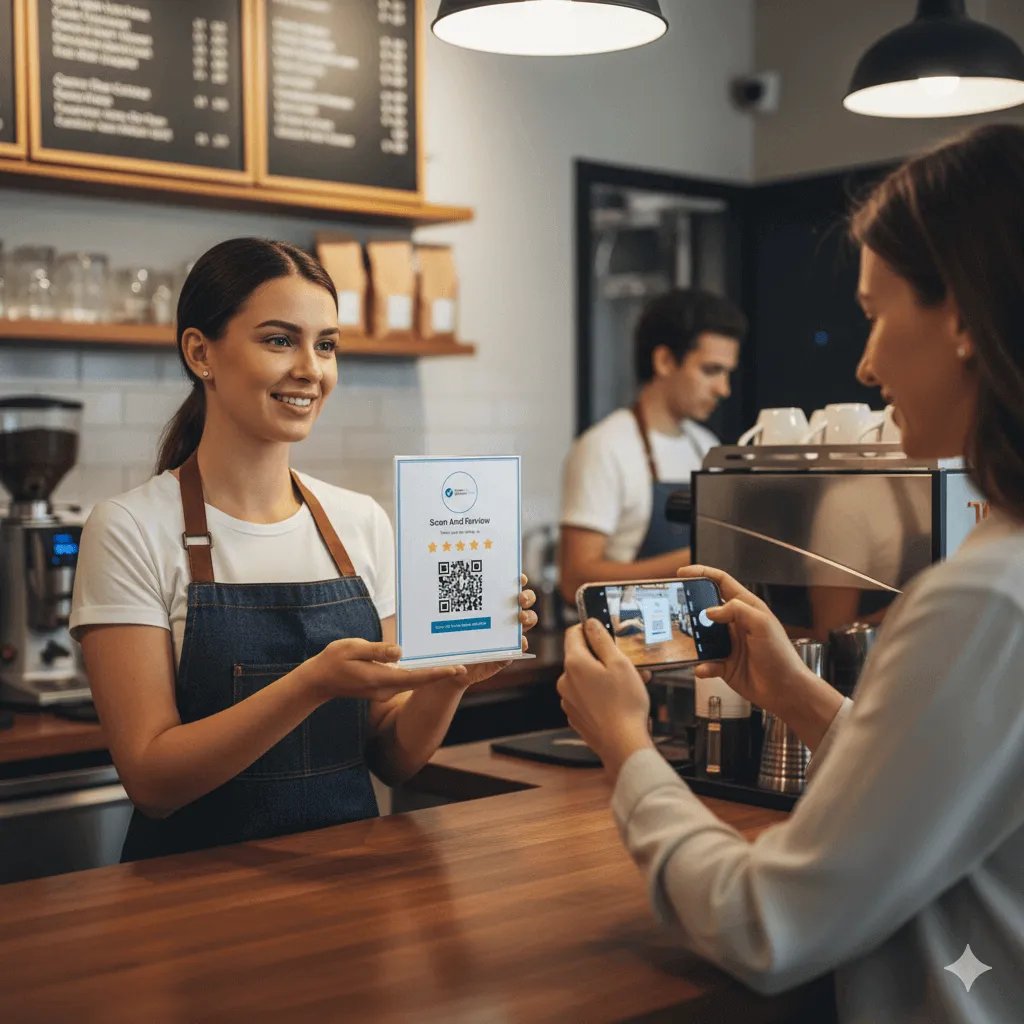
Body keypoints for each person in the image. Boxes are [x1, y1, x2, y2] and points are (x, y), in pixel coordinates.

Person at [556, 123, 1024, 1022]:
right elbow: (941, 796)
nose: (865, 362)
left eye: (878, 314)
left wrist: (628, 752)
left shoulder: (979, 598)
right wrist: (797, 697)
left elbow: (766, 923)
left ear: (962, 316)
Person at [70, 238, 536, 861]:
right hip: (187, 906)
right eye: (278, 340)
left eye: (326, 344)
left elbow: (392, 758)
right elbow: (153, 782)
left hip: (348, 891)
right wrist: (310, 683)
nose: (311, 370)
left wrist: (450, 678)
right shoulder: (128, 528)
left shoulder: (360, 522)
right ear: (200, 352)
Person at [558, 288, 746, 603]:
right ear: (664, 360)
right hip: (625, 642)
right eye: (711, 370)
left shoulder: (706, 446)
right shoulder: (603, 448)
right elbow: (574, 578)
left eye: (728, 373)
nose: (723, 389)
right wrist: (692, 562)